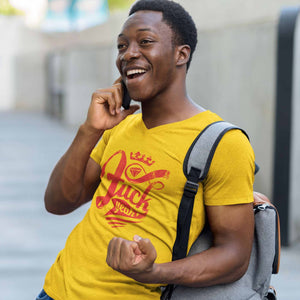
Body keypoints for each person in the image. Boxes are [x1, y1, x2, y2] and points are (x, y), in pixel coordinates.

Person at [37, 0, 255, 299]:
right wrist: (90, 130)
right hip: (55, 290)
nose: (129, 54)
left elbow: (234, 256)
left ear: (182, 54)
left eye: (145, 41)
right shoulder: (120, 126)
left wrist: (155, 273)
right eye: (122, 46)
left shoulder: (223, 142)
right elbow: (58, 202)